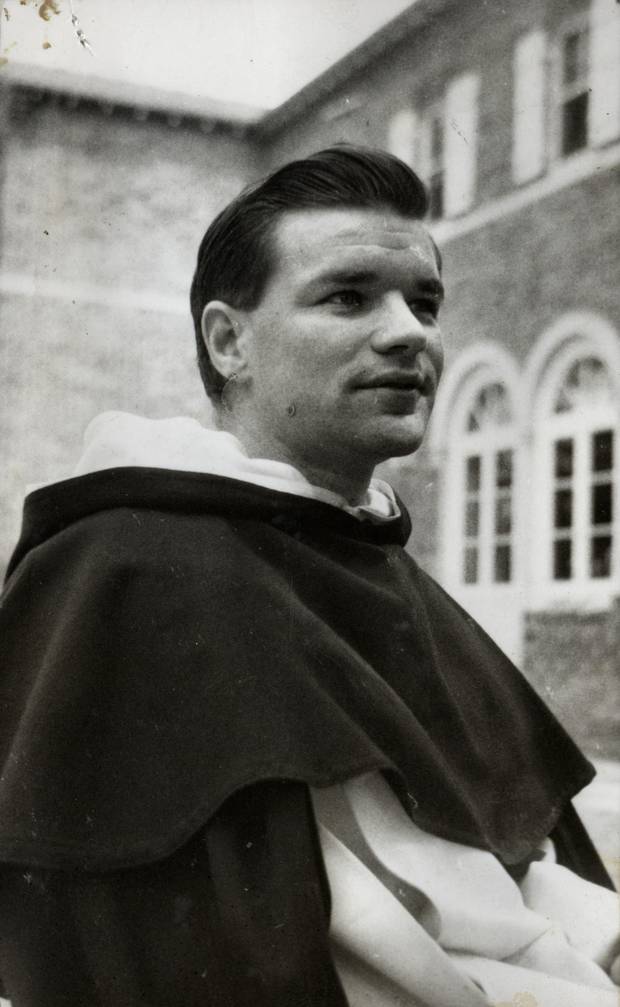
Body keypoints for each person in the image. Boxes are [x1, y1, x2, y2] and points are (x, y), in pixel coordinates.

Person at [0, 145, 617, 1006]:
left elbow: (513, 873)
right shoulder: (140, 572)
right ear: (229, 341)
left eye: (425, 301)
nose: (410, 331)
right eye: (348, 296)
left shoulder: (363, 550)